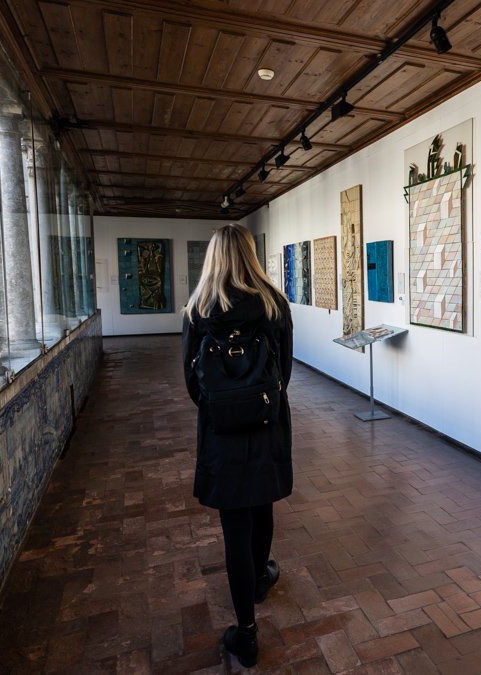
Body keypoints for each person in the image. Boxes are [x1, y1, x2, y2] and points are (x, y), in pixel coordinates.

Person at [182, 224, 293, 668]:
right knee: (262, 504)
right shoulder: (274, 305)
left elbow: (193, 384)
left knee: (235, 527)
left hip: (222, 434)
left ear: (213, 258)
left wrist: (225, 405)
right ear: (251, 254)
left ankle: (245, 632)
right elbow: (283, 372)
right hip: (266, 426)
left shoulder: (198, 310)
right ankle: (261, 577)